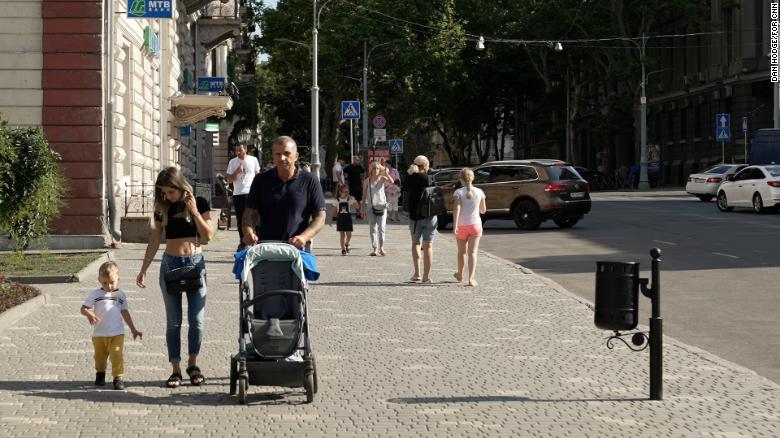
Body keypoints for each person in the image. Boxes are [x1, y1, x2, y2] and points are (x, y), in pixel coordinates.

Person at [135, 167, 214, 389]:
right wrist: (144, 269)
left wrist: (194, 211)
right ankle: (176, 369)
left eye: (169, 192)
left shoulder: (200, 201)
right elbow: (153, 241)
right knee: (174, 322)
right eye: (163, 193)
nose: (166, 197)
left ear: (179, 186)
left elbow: (208, 237)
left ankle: (192, 364)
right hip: (170, 265)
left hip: (195, 265)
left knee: (196, 321)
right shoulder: (162, 208)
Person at [242, 136, 326, 249]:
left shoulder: (309, 180)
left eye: (287, 153)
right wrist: (248, 232)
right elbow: (249, 213)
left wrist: (304, 237)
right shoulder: (261, 180)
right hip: (266, 248)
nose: (282, 158)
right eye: (278, 154)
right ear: (273, 156)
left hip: (298, 248)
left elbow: (320, 216)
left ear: (296, 156)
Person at [81, 261, 142, 390]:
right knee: (99, 358)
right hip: (99, 334)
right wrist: (90, 315)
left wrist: (133, 329)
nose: (108, 286)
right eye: (104, 283)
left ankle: (118, 378)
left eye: (112, 282)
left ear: (118, 279)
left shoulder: (120, 295)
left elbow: (125, 312)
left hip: (117, 333)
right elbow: (83, 309)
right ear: (99, 280)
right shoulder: (95, 294)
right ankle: (100, 374)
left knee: (116, 355)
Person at [452, 168, 487, 287]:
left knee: (461, 252)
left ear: (460, 179)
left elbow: (456, 209)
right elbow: (483, 211)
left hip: (461, 226)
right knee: (473, 252)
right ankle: (471, 278)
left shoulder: (458, 193)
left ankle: (460, 274)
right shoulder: (480, 192)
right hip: (475, 225)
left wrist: (455, 225)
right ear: (472, 178)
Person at [405, 155, 437, 283]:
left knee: (415, 244)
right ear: (425, 166)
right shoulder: (429, 178)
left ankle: (417, 274)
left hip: (414, 217)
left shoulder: (409, 178)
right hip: (429, 215)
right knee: (428, 246)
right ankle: (426, 277)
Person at [226, 143, 261, 251]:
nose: (238, 153)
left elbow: (257, 175)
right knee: (241, 219)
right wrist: (236, 172)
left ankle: (258, 240)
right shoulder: (233, 162)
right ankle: (243, 242)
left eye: (240, 150)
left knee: (255, 217)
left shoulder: (253, 160)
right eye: (236, 150)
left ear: (245, 150)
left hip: (251, 193)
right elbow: (229, 179)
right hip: (238, 194)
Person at [360, 161, 393, 256]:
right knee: (372, 228)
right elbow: (364, 195)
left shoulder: (382, 178)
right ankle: (375, 248)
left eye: (377, 168)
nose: (375, 170)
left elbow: (391, 181)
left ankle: (381, 247)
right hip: (370, 207)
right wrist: (362, 207)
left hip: (382, 206)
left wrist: (385, 172)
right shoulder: (367, 180)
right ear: (371, 169)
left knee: (382, 227)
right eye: (374, 168)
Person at [331, 183, 359, 255]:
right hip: (340, 218)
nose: (347, 193)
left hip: (348, 218)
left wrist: (354, 200)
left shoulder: (349, 199)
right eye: (345, 192)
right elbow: (334, 210)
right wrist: (331, 218)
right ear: (340, 192)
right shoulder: (337, 200)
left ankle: (347, 243)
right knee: (342, 235)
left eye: (347, 192)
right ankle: (343, 249)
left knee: (349, 234)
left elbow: (357, 207)